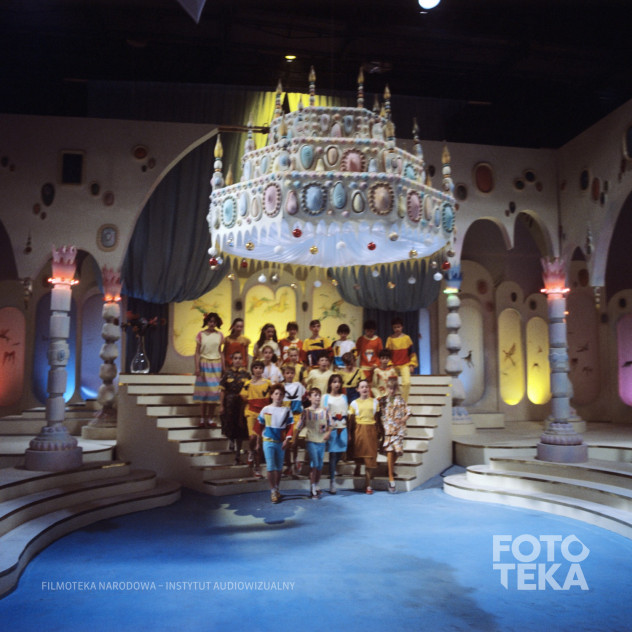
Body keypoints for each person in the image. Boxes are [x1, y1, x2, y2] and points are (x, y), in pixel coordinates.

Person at [255, 383, 294, 503]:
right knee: (270, 466)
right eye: (276, 394)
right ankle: (272, 490)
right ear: (271, 395)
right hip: (268, 441)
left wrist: (287, 440)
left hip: (280, 442)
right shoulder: (266, 409)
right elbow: (259, 427)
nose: (278, 396)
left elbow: (290, 427)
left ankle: (277, 488)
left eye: (281, 394)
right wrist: (258, 443)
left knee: (279, 467)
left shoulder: (287, 410)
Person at [295, 387, 331, 498]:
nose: (318, 397)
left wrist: (328, 433)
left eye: (319, 395)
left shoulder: (325, 411)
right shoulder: (306, 411)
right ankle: (312, 488)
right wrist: (294, 438)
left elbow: (331, 424)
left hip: (321, 441)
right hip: (311, 441)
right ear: (309, 398)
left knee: (320, 465)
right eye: (315, 395)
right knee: (314, 464)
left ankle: (316, 484)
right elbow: (299, 426)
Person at [378, 376, 412, 493]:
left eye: (393, 388)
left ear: (396, 388)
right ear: (386, 388)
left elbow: (409, 411)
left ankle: (389, 469)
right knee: (389, 451)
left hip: (398, 430)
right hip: (388, 429)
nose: (391, 390)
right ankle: (391, 478)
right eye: (389, 388)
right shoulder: (383, 400)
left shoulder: (400, 400)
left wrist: (403, 419)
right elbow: (379, 413)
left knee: (398, 452)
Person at [348, 379, 380, 495]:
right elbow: (350, 422)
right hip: (359, 431)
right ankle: (357, 467)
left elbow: (377, 419)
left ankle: (368, 484)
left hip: (371, 431)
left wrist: (379, 433)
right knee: (359, 454)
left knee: (370, 458)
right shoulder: (354, 403)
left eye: (366, 386)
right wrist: (349, 434)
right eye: (362, 387)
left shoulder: (375, 402)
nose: (365, 389)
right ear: (358, 389)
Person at [240, 360, 271, 479]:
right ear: (252, 369)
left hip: (264, 414)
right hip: (251, 412)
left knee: (259, 442)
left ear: (263, 370)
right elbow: (243, 396)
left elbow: (273, 396)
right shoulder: (248, 383)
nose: (258, 370)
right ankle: (250, 451)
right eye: (255, 367)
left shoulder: (268, 383)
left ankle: (257, 469)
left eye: (260, 368)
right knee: (252, 437)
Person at [193, 312, 225, 428]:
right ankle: (202, 419)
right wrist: (197, 367)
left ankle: (211, 419)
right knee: (203, 393)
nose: (212, 323)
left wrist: (223, 367)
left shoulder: (220, 335)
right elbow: (197, 352)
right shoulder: (201, 334)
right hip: (204, 364)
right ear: (207, 322)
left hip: (216, 365)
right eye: (210, 321)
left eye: (214, 322)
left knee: (213, 393)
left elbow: (220, 352)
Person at [219, 351, 250, 463]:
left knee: (241, 428)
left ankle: (238, 452)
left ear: (243, 360)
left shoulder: (246, 374)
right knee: (229, 425)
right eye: (235, 358)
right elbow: (222, 390)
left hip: (241, 404)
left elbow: (249, 390)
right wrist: (221, 405)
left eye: (240, 358)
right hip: (230, 403)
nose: (238, 360)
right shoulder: (227, 374)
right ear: (232, 360)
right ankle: (231, 441)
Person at [323, 374, 348, 494]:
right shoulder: (326, 397)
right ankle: (332, 480)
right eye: (334, 382)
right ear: (330, 384)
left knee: (340, 452)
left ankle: (334, 468)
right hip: (332, 428)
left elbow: (346, 413)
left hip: (342, 427)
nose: (336, 384)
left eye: (338, 382)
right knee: (332, 454)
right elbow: (323, 413)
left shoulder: (344, 397)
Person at [281, 364, 306, 477]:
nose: (290, 375)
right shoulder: (281, 386)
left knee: (294, 441)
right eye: (287, 373)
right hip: (285, 416)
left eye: (292, 373)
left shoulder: (298, 385)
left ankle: (295, 461)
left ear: (294, 374)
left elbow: (304, 396)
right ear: (284, 374)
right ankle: (288, 465)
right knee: (286, 442)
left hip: (297, 415)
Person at [385, 317, 418, 401]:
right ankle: (392, 402)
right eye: (395, 327)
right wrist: (389, 364)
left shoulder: (407, 338)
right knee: (392, 384)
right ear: (392, 328)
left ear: (402, 327)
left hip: (405, 364)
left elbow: (412, 352)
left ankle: (404, 402)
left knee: (407, 383)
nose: (397, 329)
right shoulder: (390, 339)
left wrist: (412, 364)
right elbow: (387, 354)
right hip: (394, 365)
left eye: (398, 327)